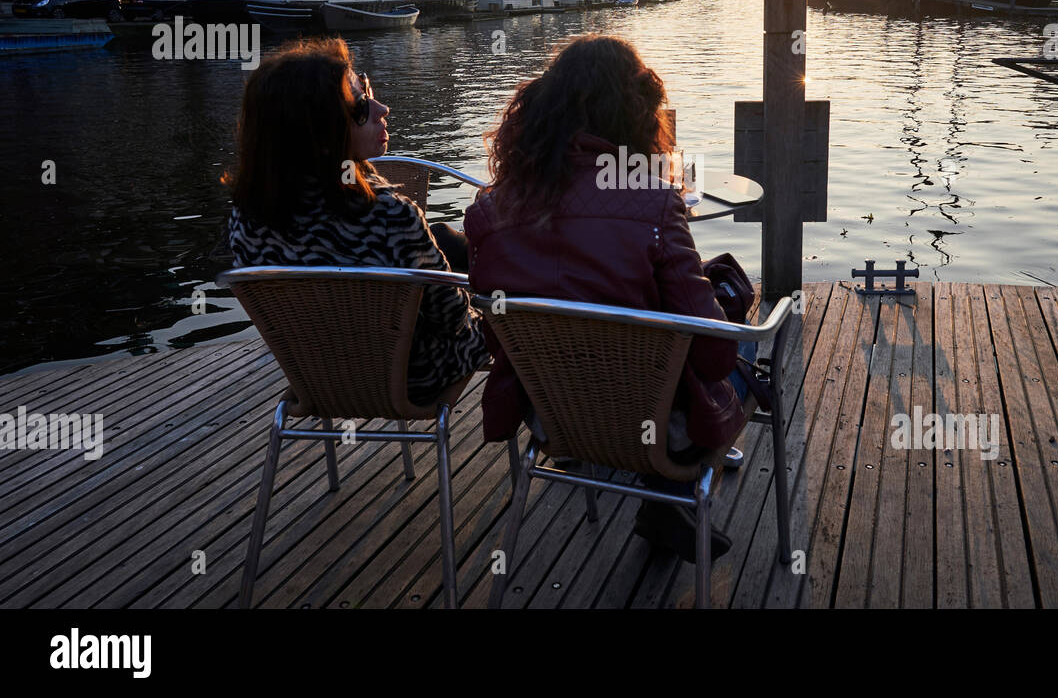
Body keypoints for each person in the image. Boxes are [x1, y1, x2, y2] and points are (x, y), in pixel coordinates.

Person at [465, 33, 750, 562]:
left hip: (551, 418)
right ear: (636, 111)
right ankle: (669, 495)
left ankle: (663, 497)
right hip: (658, 425)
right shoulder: (656, 204)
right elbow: (716, 354)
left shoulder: (487, 212)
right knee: (742, 341)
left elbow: (494, 334)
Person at [224, 38, 487, 404]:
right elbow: (453, 318)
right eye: (361, 106)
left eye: (368, 91)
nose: (383, 108)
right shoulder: (391, 217)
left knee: (443, 238)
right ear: (320, 130)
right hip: (417, 378)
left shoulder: (246, 218)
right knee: (512, 306)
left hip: (316, 380)